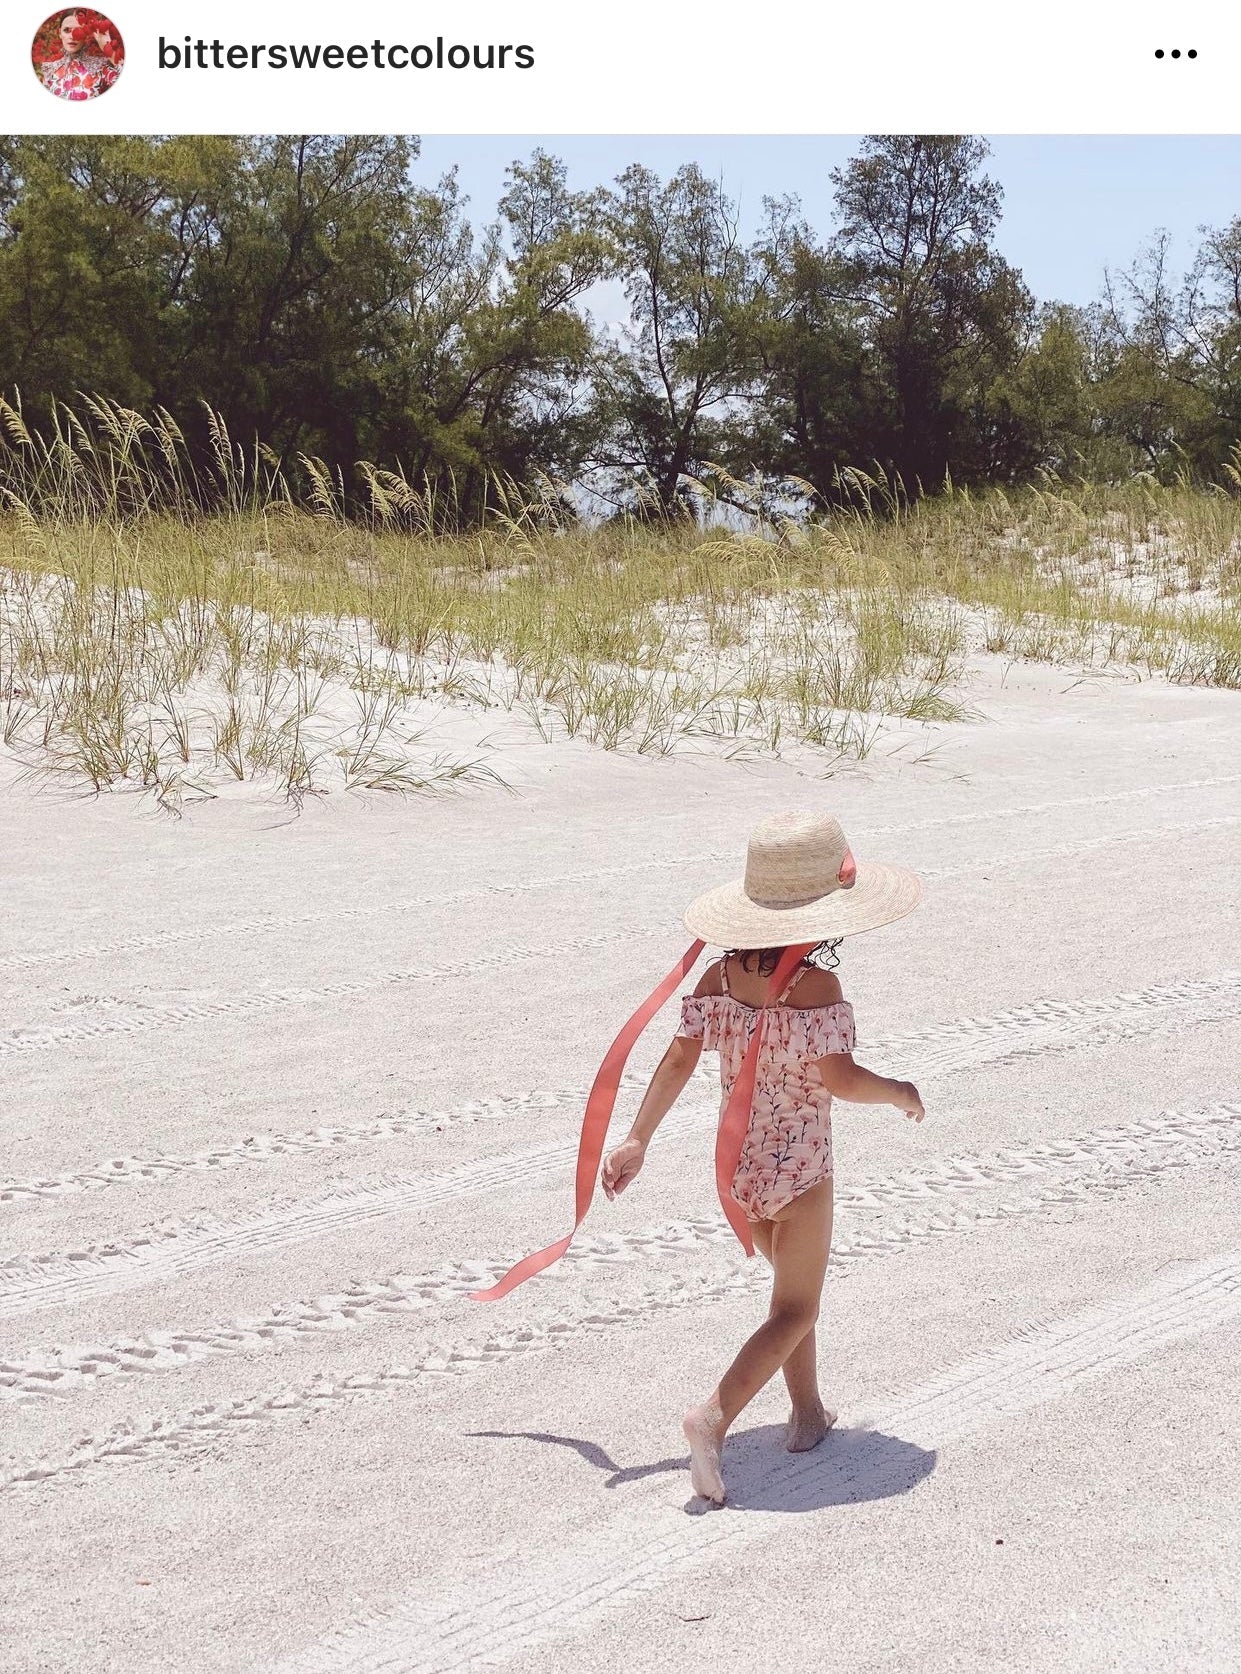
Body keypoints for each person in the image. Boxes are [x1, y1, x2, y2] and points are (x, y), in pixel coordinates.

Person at [601, 810, 925, 1505]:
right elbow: (838, 1079)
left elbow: (680, 1056)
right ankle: (711, 1417)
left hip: (738, 1167)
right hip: (801, 1168)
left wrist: (637, 1138)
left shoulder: (718, 976)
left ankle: (806, 1413)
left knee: (789, 1298)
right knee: (797, 1308)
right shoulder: (814, 987)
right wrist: (898, 1092)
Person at [37, 11, 121, 101]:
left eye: (78, 30)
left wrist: (108, 50)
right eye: (67, 30)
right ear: (59, 33)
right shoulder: (50, 71)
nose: (72, 36)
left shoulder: (100, 68)